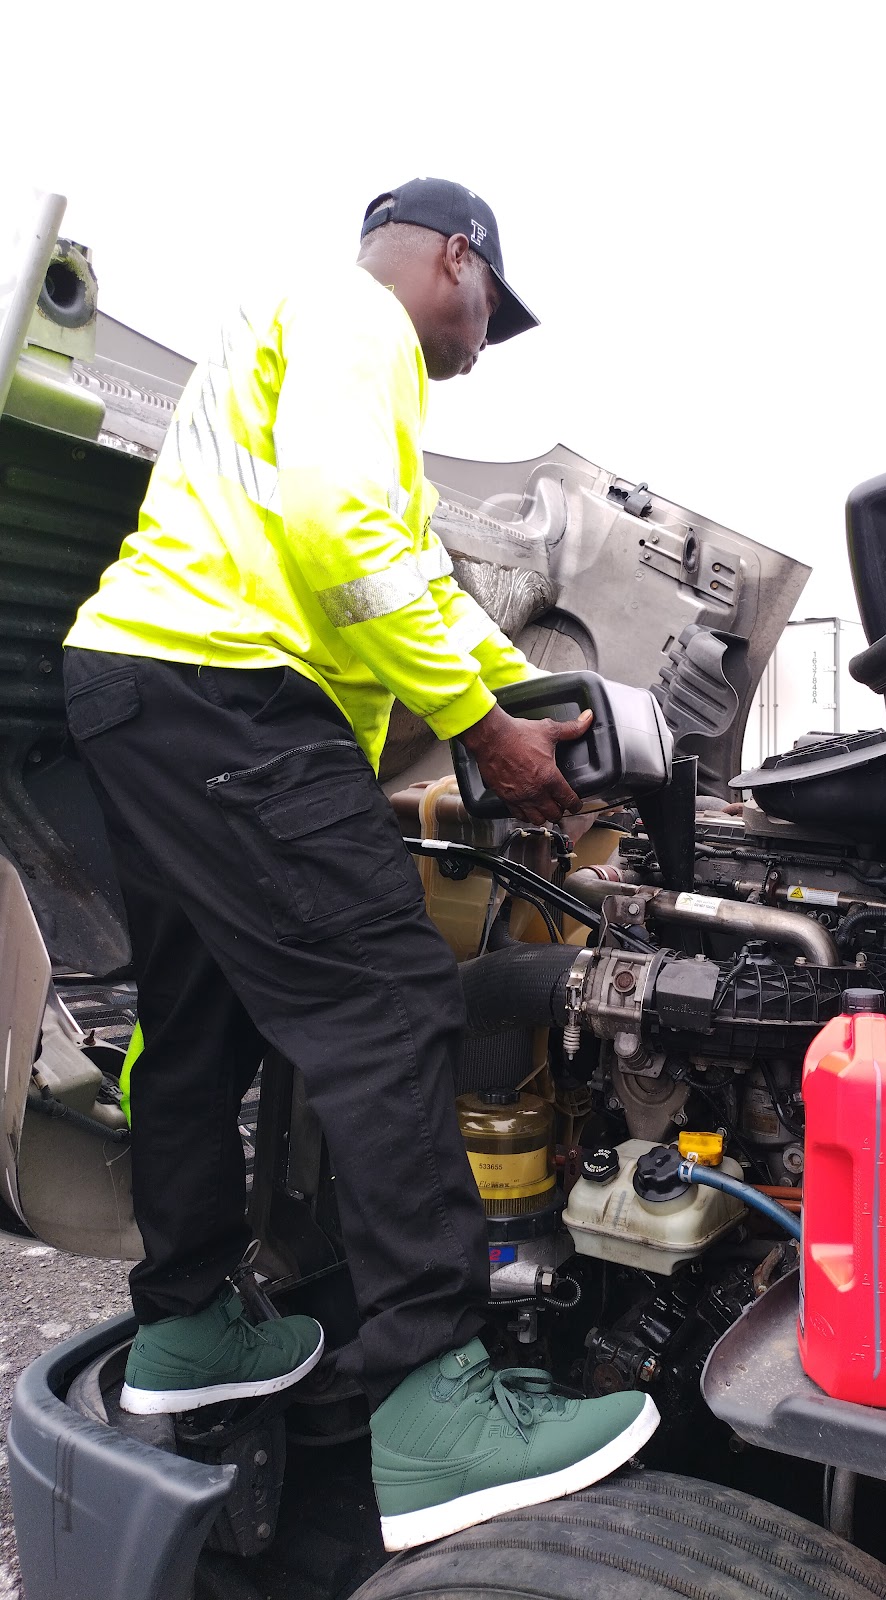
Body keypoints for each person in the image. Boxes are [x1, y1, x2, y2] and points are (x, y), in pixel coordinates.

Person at [61, 177, 658, 1551]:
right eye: (486, 315)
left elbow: (415, 578)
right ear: (453, 257)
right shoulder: (354, 316)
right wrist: (477, 728)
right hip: (229, 693)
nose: (475, 348)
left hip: (144, 689)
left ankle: (188, 1325)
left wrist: (529, 697)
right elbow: (350, 544)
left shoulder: (300, 343)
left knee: (198, 1027)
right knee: (391, 1004)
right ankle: (435, 1400)